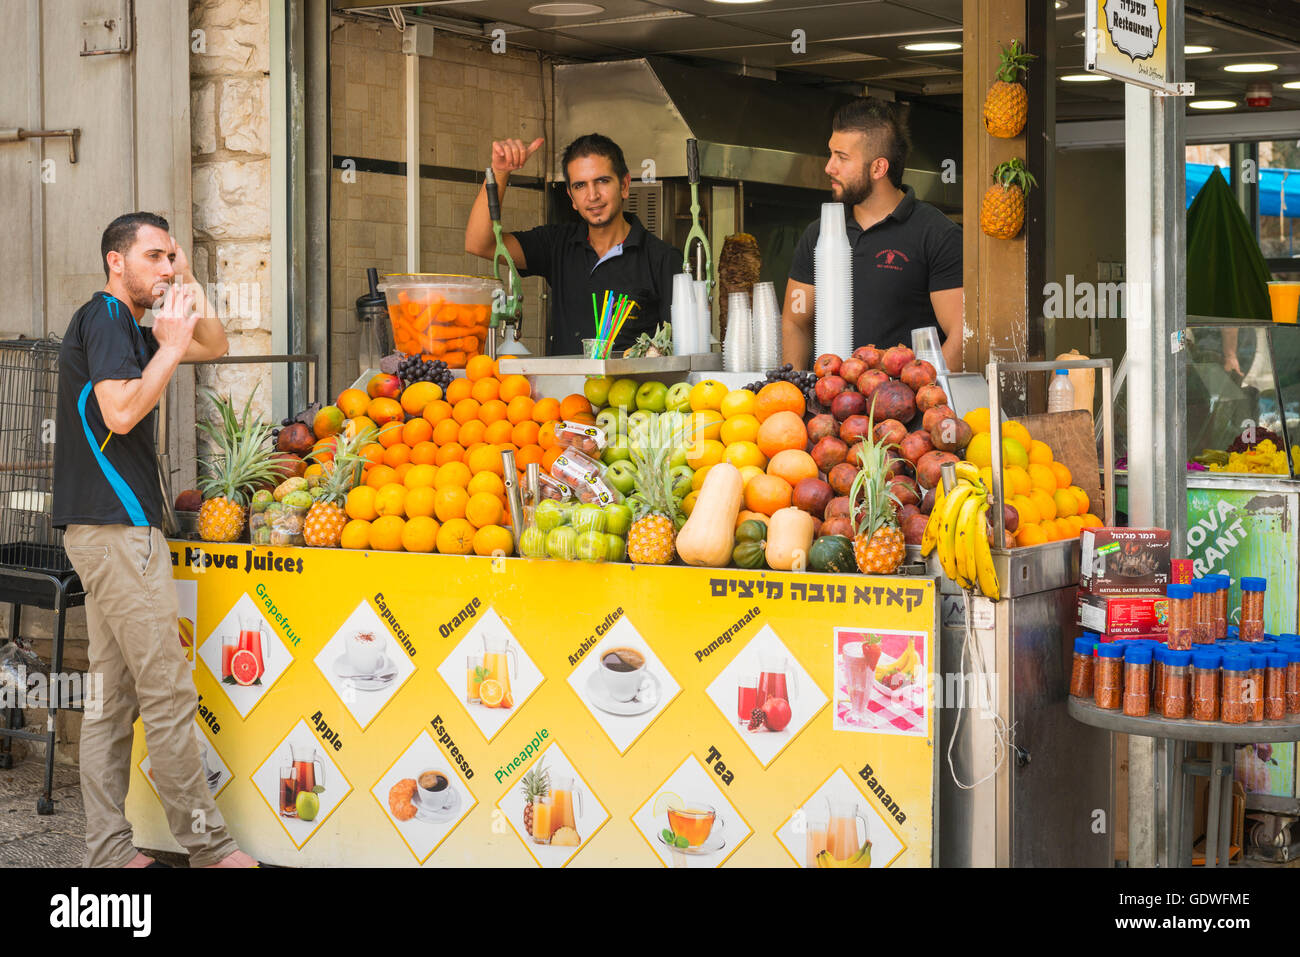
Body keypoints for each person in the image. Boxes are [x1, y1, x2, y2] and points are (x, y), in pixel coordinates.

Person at [53, 212, 257, 868]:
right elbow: (119, 411)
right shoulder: (110, 319)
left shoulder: (126, 327)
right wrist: (167, 347)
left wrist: (188, 280)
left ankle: (110, 852)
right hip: (117, 532)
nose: (165, 267)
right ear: (117, 262)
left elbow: (216, 344)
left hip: (102, 531)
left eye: (170, 256)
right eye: (154, 256)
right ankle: (209, 847)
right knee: (167, 690)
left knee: (110, 697)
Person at [782, 98, 963, 372]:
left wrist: (919, 396)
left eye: (842, 158)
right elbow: (795, 321)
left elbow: (962, 334)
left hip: (901, 410)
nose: (829, 167)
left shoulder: (937, 235)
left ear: (879, 168)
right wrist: (791, 391)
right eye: (830, 154)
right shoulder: (818, 234)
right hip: (827, 407)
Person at [465, 133, 680, 356]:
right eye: (580, 186)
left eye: (602, 181)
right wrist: (500, 173)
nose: (592, 195)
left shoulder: (662, 259)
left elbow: (677, 349)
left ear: (624, 185)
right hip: (564, 391)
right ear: (571, 197)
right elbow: (479, 243)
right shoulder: (557, 244)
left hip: (628, 390)